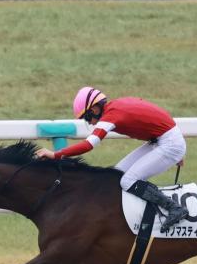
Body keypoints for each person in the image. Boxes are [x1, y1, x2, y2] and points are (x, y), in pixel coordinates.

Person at [36, 86, 188, 232]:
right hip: (163, 139)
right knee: (117, 175)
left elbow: (88, 145)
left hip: (168, 142)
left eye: (87, 116)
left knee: (127, 181)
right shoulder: (115, 107)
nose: (88, 122)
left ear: (95, 109)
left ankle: (174, 208)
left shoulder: (111, 115)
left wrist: (55, 154)